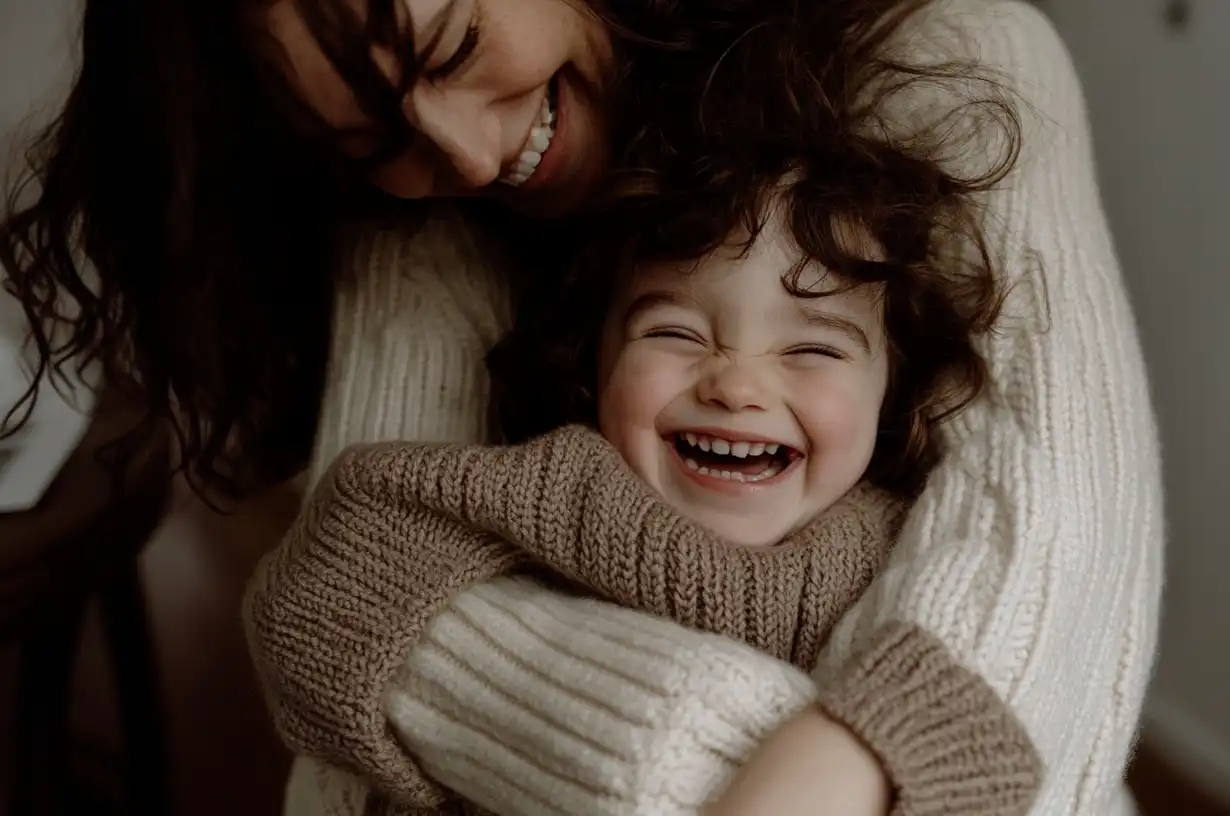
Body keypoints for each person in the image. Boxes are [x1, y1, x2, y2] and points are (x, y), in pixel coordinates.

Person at [0, 0, 1163, 813]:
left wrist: (847, 756)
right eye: (370, 135)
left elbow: (1062, 592)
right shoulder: (422, 227)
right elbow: (336, 651)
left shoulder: (954, 62)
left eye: (454, 43)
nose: (459, 152)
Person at [248, 151, 1042, 813]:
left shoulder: (895, 551)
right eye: (675, 332)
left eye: (814, 351)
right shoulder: (564, 488)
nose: (736, 385)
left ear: (889, 396)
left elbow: (981, 735)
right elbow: (324, 569)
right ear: (595, 366)